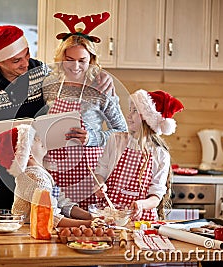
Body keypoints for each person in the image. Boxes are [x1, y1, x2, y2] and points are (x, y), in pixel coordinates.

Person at [0, 25, 114, 221]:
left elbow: (73, 72)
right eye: (16, 60)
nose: (25, 63)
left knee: (35, 235)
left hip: (35, 173)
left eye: (27, 54)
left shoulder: (39, 71)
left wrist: (99, 74)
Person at [42, 12, 128, 210]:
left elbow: (122, 132)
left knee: (87, 230)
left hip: (89, 172)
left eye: (82, 60)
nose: (75, 66)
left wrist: (92, 138)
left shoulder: (100, 87)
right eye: (69, 59)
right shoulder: (49, 82)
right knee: (56, 219)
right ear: (60, 57)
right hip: (54, 168)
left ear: (91, 59)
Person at [94, 89, 184, 221]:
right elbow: (100, 173)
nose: (128, 115)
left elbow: (156, 197)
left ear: (148, 119)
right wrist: (100, 185)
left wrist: (141, 204)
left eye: (135, 111)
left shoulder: (160, 154)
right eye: (130, 110)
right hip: (111, 216)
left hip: (142, 221)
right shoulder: (116, 140)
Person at [0, 124, 93, 227]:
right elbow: (50, 217)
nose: (40, 138)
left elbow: (61, 202)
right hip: (28, 234)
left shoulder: (40, 172)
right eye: (35, 138)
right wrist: (88, 224)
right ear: (27, 152)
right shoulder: (35, 178)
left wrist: (91, 216)